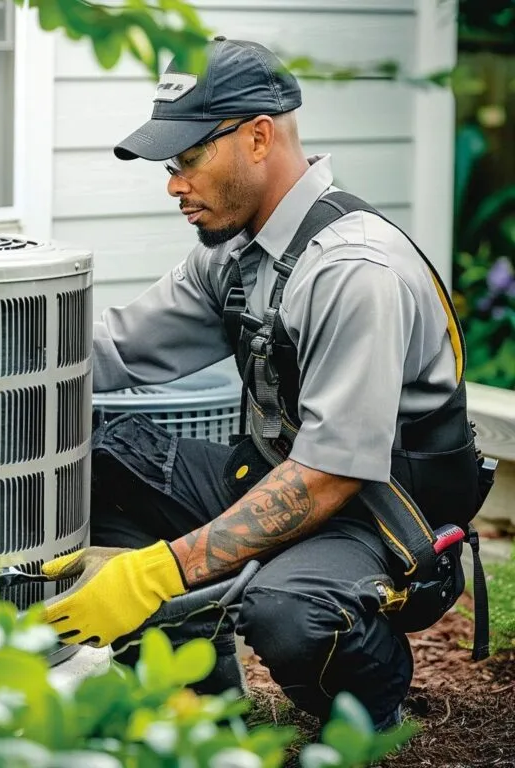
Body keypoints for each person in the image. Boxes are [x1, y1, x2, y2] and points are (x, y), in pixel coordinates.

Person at [41, 37, 482, 730]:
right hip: (283, 477)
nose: (173, 184)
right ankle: (198, 696)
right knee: (96, 461)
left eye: (188, 159)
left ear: (256, 137)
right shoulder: (240, 254)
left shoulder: (352, 268)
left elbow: (329, 476)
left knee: (287, 611)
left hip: (382, 520)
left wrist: (156, 572)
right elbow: (109, 351)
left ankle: (372, 708)